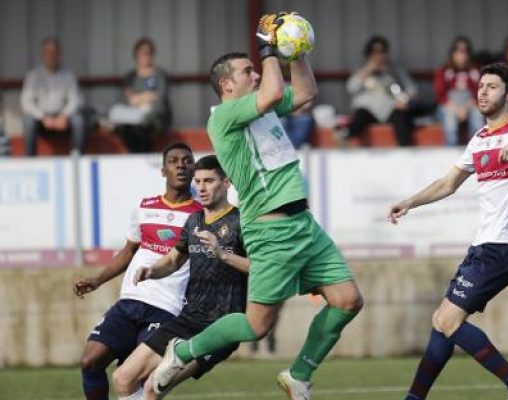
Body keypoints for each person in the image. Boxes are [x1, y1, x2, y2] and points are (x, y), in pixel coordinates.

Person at [151, 13, 363, 400]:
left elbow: (305, 94)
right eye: (247, 71)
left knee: (348, 300)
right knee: (256, 325)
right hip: (270, 231)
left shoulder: (260, 108)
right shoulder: (225, 116)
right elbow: (268, 93)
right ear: (227, 85)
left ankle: (299, 375)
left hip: (303, 225)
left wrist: (295, 54)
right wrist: (267, 46)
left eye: (255, 68)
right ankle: (183, 350)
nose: (255, 74)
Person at [388, 63, 508, 400]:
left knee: (447, 320)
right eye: (481, 86)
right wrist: (410, 202)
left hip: (504, 248)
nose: (482, 91)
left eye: (491, 86)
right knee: (441, 325)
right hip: (482, 247)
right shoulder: (479, 139)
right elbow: (449, 183)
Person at [112, 155, 248, 399]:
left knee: (153, 387)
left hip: (220, 326)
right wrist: (152, 270)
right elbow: (174, 259)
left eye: (209, 180)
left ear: (226, 182)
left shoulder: (242, 222)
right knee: (123, 378)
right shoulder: (194, 220)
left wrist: (222, 254)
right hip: (187, 319)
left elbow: (261, 268)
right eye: (198, 181)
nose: (202, 187)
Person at [73, 143, 200, 400]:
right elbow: (128, 251)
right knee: (90, 361)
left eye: (187, 160)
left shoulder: (201, 214)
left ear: (194, 168)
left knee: (134, 379)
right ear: (163, 170)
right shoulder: (143, 206)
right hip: (129, 302)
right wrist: (97, 280)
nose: (180, 165)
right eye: (174, 161)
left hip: (168, 308)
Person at [344, 36, 430, 146]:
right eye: (375, 52)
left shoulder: (394, 70)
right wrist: (367, 70)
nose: (379, 56)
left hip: (390, 109)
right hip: (368, 110)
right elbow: (351, 88)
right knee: (359, 116)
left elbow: (412, 90)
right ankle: (345, 139)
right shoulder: (360, 69)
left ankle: (405, 150)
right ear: (369, 54)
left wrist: (405, 101)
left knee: (402, 117)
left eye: (382, 52)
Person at [21, 37, 89, 156]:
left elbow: (76, 99)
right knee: (28, 122)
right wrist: (43, 117)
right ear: (42, 55)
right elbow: (26, 102)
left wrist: (64, 116)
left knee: (79, 121)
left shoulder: (68, 75)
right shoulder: (33, 75)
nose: (51, 55)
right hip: (42, 119)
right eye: (48, 52)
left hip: (63, 118)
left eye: (54, 52)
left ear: (60, 55)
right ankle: (30, 160)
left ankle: (77, 158)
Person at [111, 38, 171, 153]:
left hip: (156, 117)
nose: (146, 56)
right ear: (136, 55)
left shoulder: (160, 75)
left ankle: (142, 160)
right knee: (125, 129)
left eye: (149, 53)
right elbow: (127, 101)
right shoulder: (130, 77)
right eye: (143, 53)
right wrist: (148, 95)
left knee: (144, 128)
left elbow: (160, 98)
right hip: (133, 118)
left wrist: (137, 99)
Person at [433, 36, 483, 146]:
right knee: (450, 118)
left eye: (464, 52)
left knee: (478, 116)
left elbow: (480, 92)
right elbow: (440, 95)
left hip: (470, 104)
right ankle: (451, 151)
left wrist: (466, 107)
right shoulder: (444, 70)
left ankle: (477, 150)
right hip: (449, 105)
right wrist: (457, 109)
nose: (461, 55)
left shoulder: (475, 71)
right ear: (452, 53)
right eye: (458, 52)